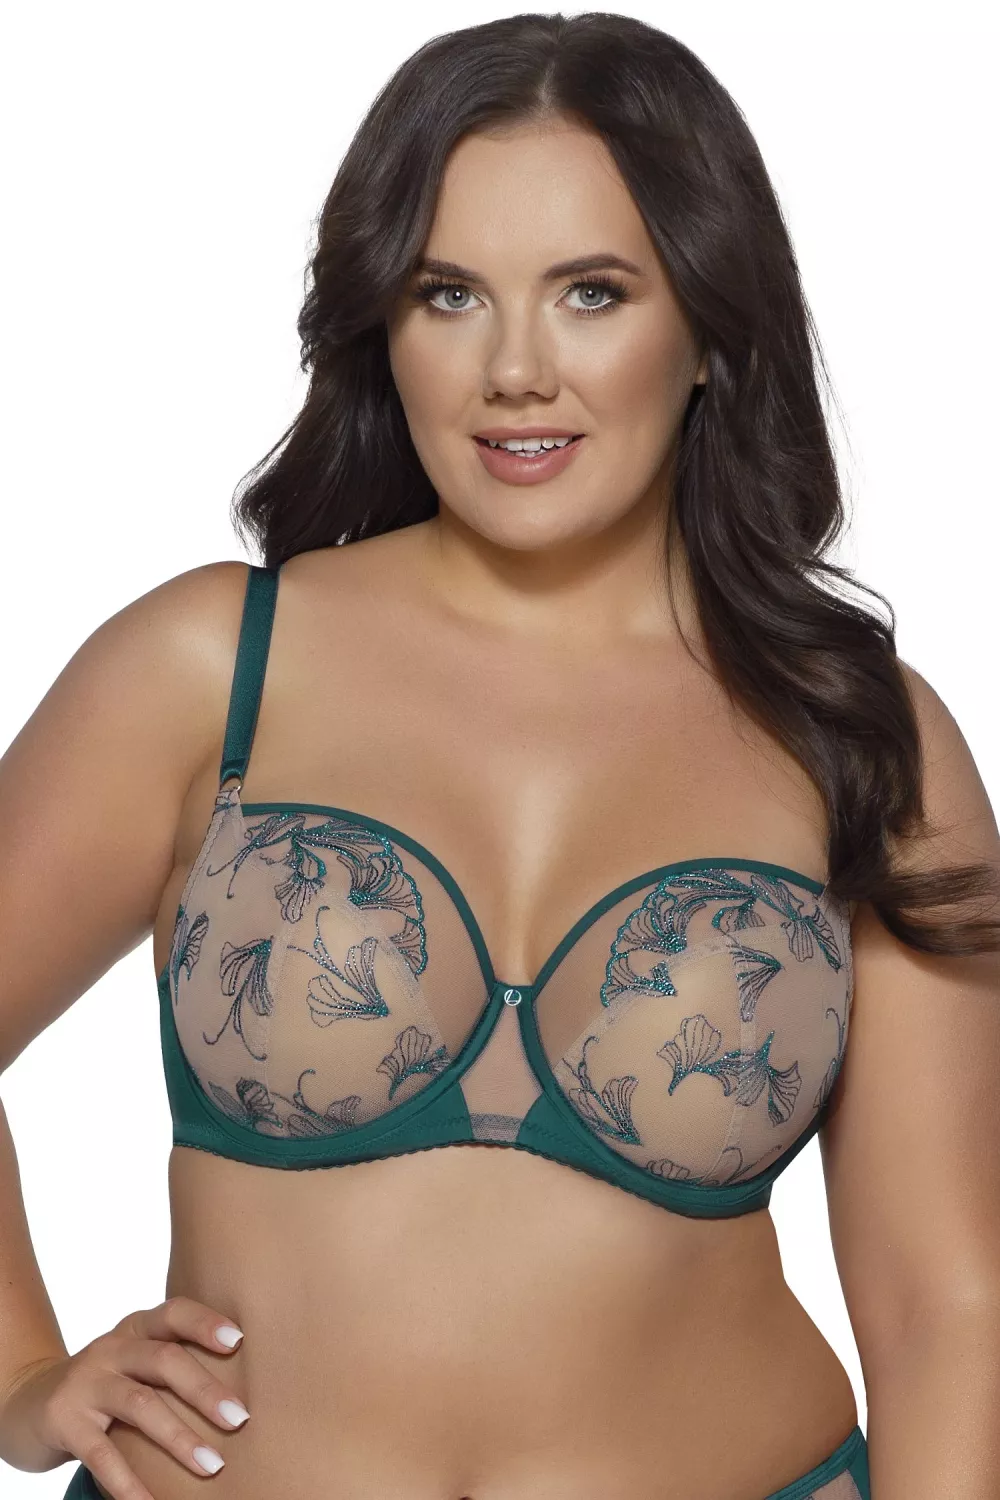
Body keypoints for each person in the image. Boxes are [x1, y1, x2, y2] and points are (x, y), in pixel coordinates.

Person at [1, 12, 998, 1500]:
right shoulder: (213, 668)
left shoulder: (859, 735)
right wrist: (21, 1381)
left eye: (593, 293)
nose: (516, 369)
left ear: (709, 327)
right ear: (384, 324)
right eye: (449, 293)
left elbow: (943, 1308)